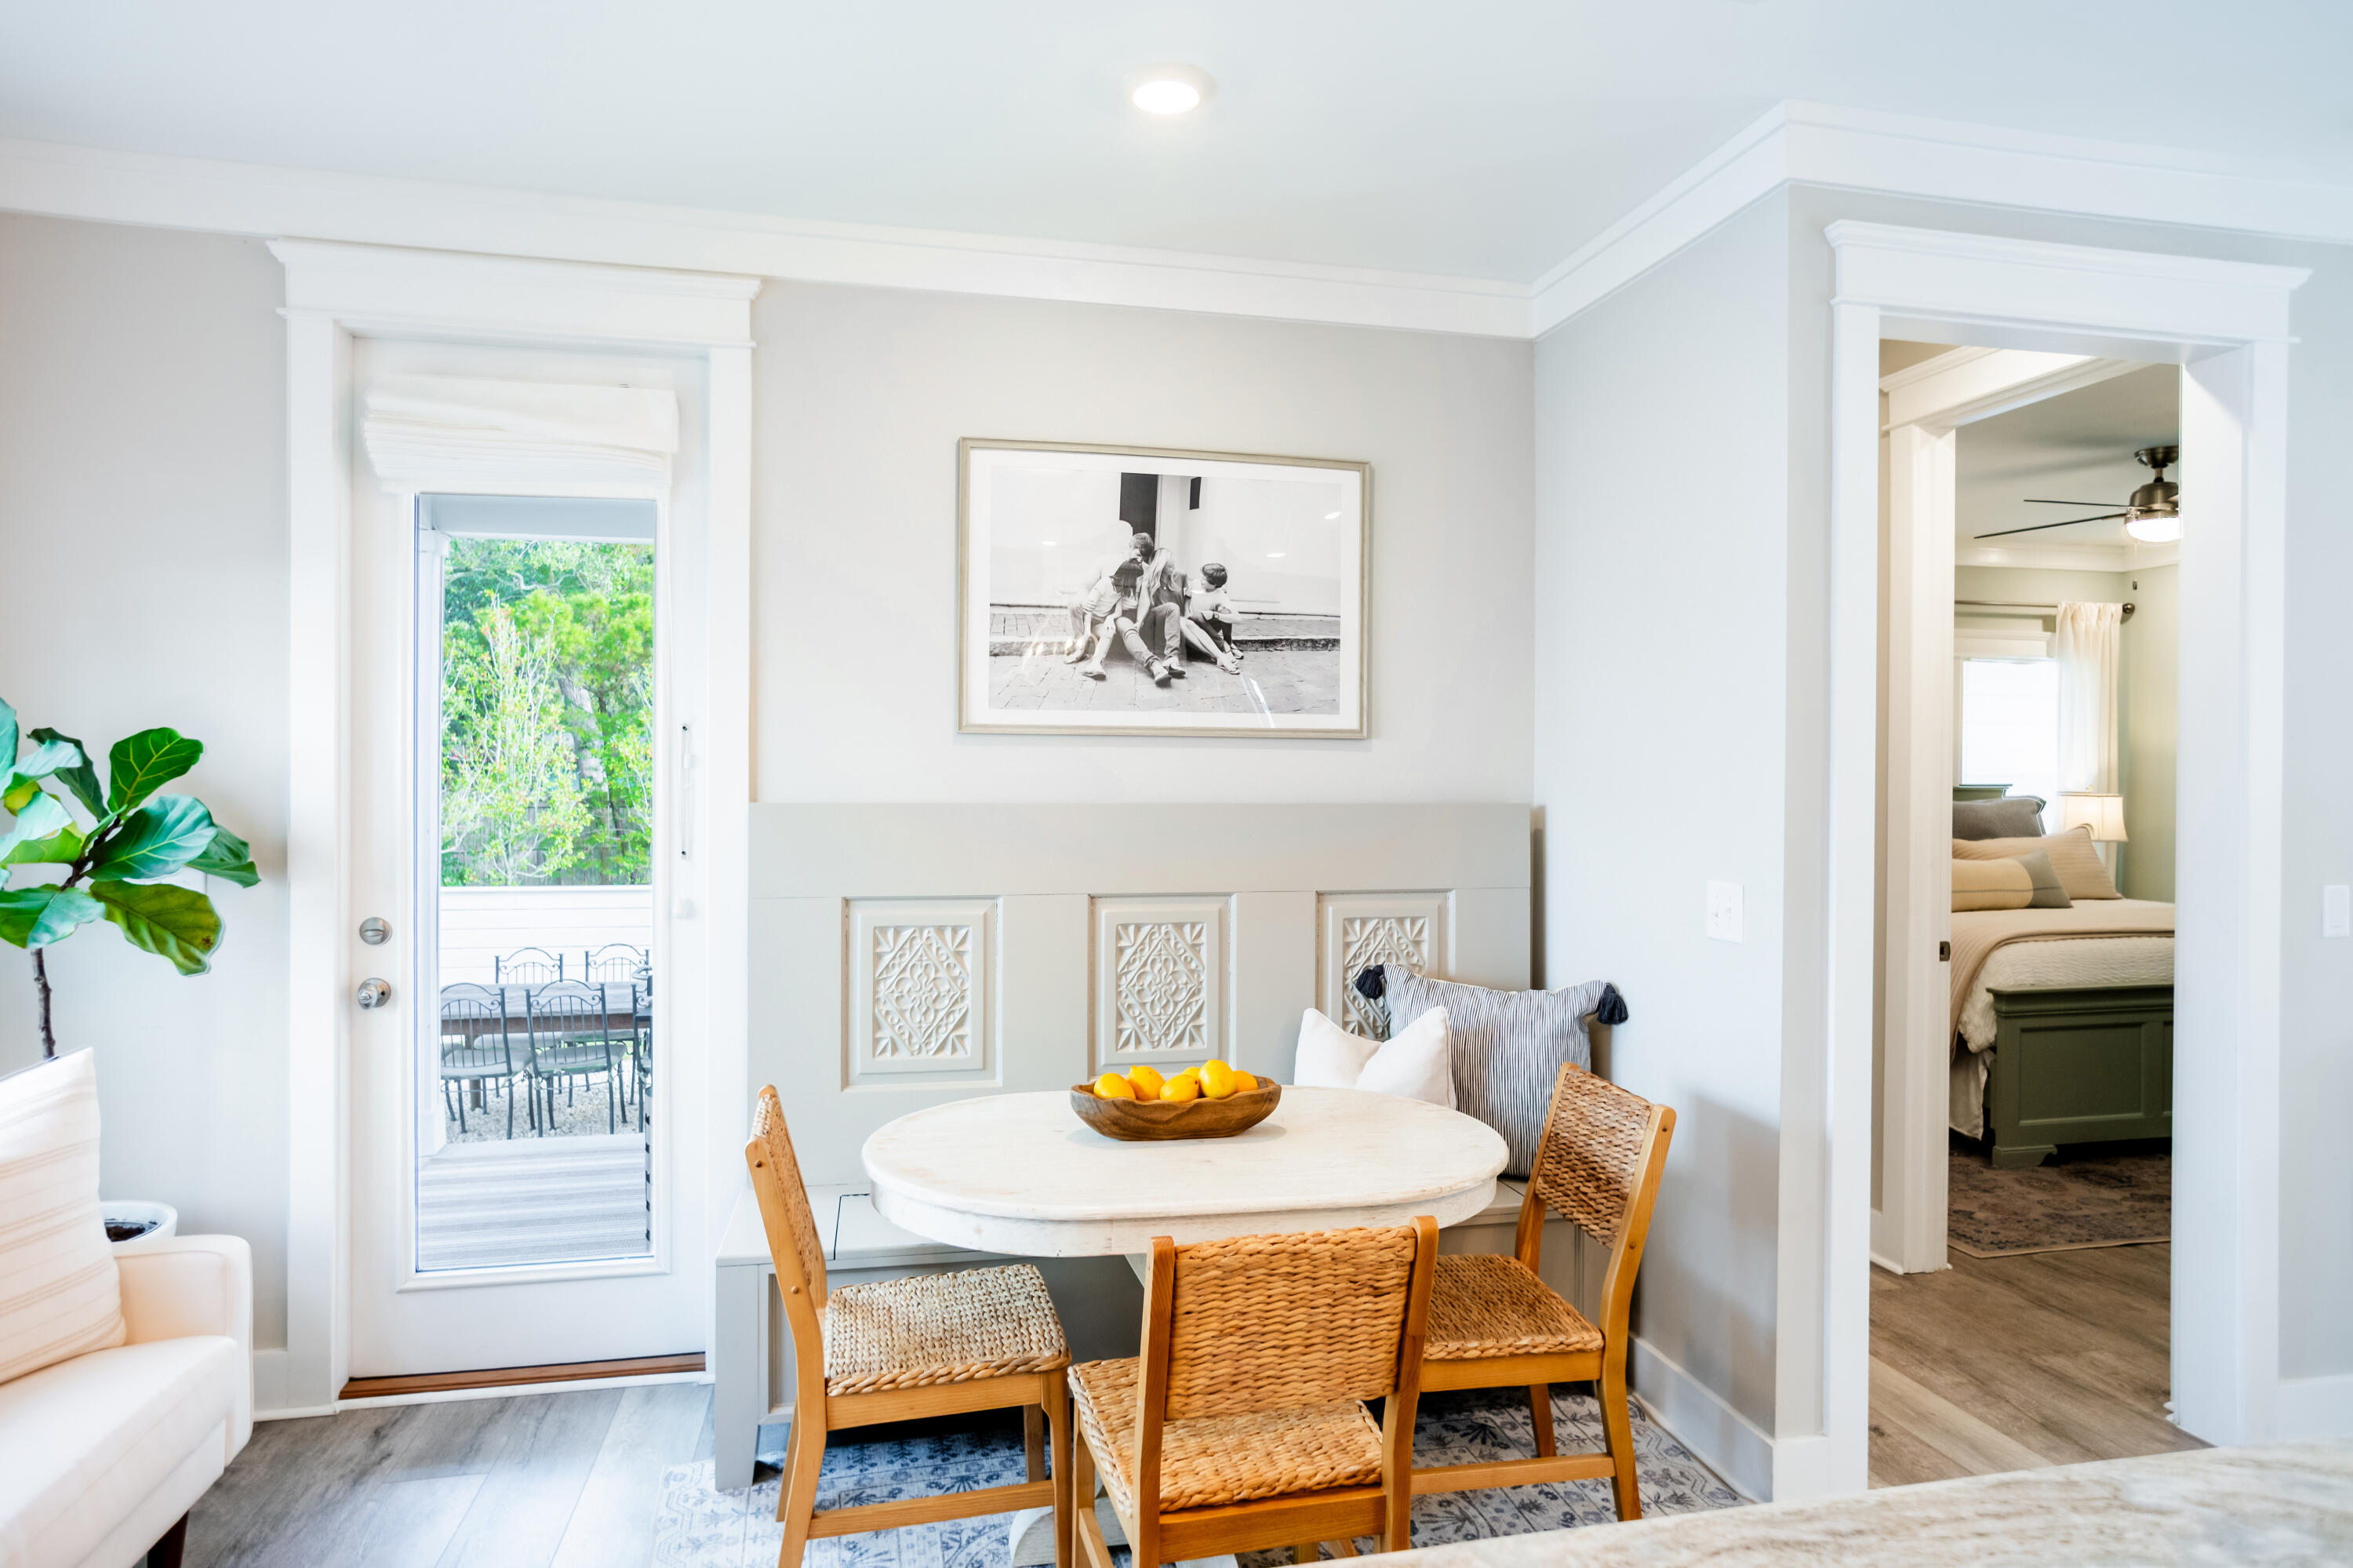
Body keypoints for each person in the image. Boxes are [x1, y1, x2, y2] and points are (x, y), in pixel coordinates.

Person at [1074, 558, 1176, 686]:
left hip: (1104, 620)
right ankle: (1095, 664)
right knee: (1111, 630)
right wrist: (1087, 633)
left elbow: (1118, 611)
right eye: (1140, 579)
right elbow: (1088, 609)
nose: (1142, 581)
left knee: (1109, 629)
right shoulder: (1105, 583)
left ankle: (1096, 664)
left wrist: (1110, 618)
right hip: (1092, 622)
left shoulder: (1121, 591)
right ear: (1130, 578)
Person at [1176, 562, 1244, 674]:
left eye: (1205, 579)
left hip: (1207, 625)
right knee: (1197, 615)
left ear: (1214, 585)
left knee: (1226, 612)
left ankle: (1228, 643)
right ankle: (1225, 647)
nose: (1201, 580)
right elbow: (1187, 598)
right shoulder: (1195, 583)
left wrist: (1215, 614)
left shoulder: (1220, 594)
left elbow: (1238, 618)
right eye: (1201, 577)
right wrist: (1187, 612)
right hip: (1193, 621)